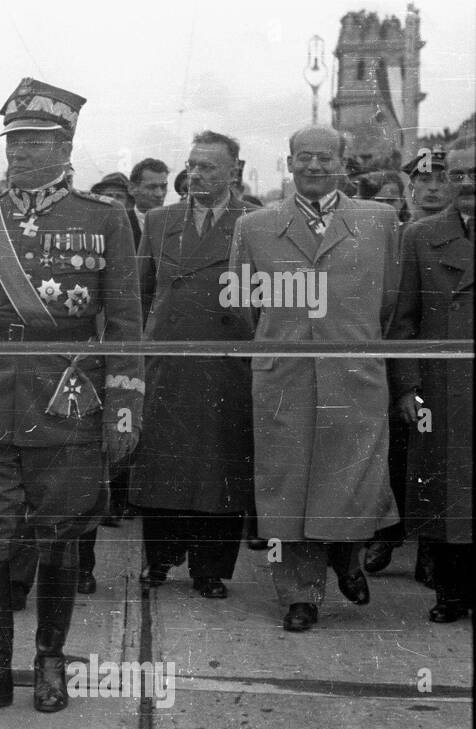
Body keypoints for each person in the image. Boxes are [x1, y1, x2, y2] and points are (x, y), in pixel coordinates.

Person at [0, 78, 143, 713]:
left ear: (65, 146)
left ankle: (50, 661)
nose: (20, 152)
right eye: (14, 140)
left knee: (61, 533)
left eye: (36, 141)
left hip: (68, 398)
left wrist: (124, 407)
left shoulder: (103, 218)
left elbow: (125, 322)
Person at [229, 125, 399, 632]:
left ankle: (346, 556)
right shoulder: (256, 226)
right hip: (286, 376)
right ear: (289, 162)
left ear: (344, 164)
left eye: (327, 158)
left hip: (353, 372)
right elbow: (242, 305)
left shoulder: (381, 221)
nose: (316, 167)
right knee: (287, 487)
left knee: (351, 476)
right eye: (305, 157)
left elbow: (387, 300)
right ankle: (298, 595)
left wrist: (352, 339)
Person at [130, 132, 256, 599]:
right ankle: (159, 559)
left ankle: (210, 569)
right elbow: (141, 292)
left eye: (209, 167)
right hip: (169, 359)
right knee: (163, 461)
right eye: (193, 165)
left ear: (233, 170)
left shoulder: (254, 223)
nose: (197, 174)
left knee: (221, 467)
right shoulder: (161, 222)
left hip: (227, 364)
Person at [387, 146, 473, 622]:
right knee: (444, 491)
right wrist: (407, 388)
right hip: (443, 390)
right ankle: (451, 594)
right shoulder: (419, 237)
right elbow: (403, 323)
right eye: (460, 174)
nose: (467, 183)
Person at [128, 157, 170, 243]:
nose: (159, 194)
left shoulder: (176, 223)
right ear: (132, 189)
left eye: (163, 187)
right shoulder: (120, 223)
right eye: (151, 187)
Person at [405, 148, 452, 220]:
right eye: (425, 179)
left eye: (442, 180)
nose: (433, 188)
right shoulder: (398, 230)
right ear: (411, 187)